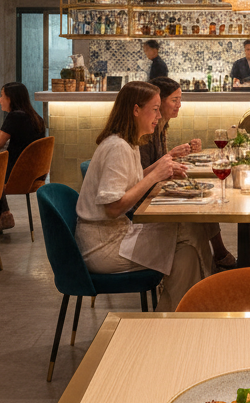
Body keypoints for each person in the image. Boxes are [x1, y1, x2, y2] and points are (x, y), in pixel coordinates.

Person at [77, 81, 212, 309]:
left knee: (191, 239)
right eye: (155, 109)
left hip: (116, 235)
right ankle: (195, 307)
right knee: (190, 237)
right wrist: (154, 175)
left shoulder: (129, 143)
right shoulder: (117, 147)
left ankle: (182, 313)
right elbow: (113, 208)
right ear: (136, 110)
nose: (159, 116)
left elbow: (134, 180)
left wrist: (160, 169)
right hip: (104, 246)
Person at [143, 77, 236, 268]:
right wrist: (170, 157)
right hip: (146, 202)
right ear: (159, 102)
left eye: (180, 99)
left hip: (155, 190)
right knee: (200, 205)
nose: (179, 105)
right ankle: (215, 262)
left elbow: (159, 163)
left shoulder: (160, 126)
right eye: (174, 100)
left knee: (202, 200)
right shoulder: (146, 132)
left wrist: (179, 153)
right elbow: (142, 174)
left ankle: (217, 260)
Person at [0, 81, 46, 231]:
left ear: (11, 99)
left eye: (2, 96)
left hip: (17, 176)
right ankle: (3, 214)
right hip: (33, 174)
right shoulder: (36, 118)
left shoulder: (15, 116)